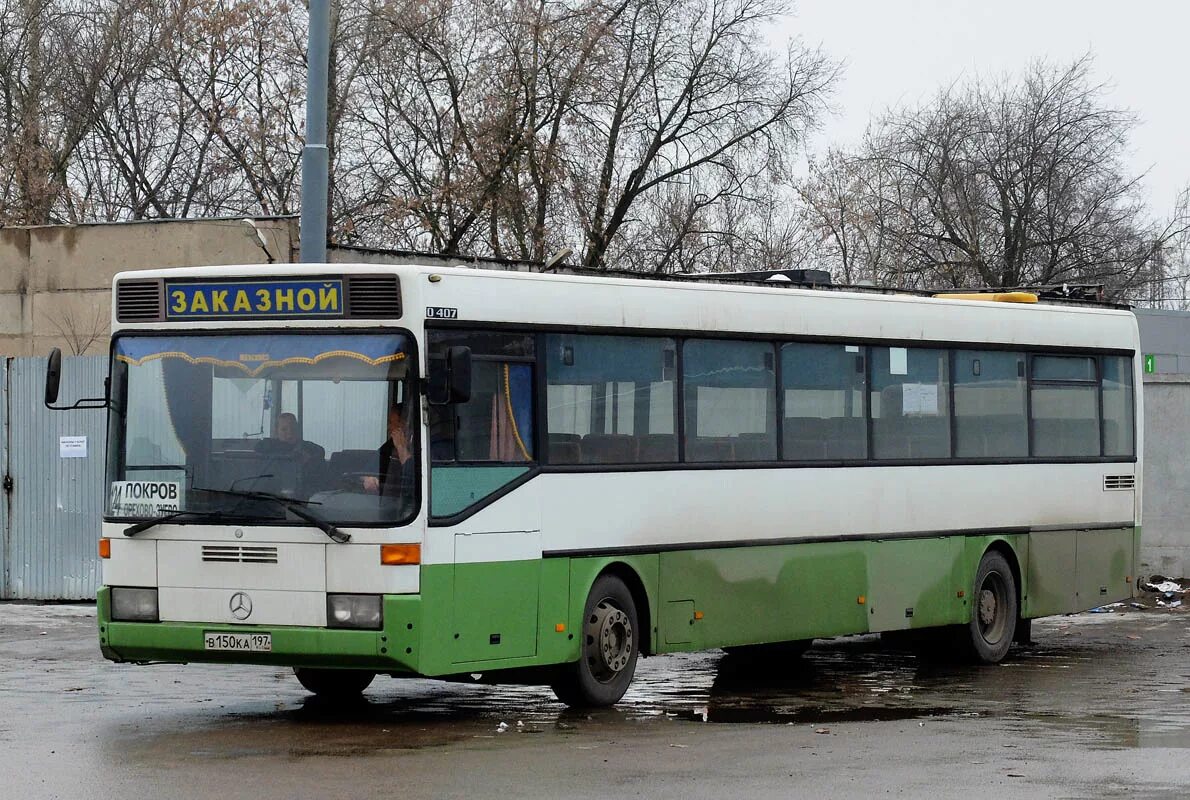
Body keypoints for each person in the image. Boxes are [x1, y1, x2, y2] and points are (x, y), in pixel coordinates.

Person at [362, 405, 415, 499]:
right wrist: (367, 478)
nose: (388, 427)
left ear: (404, 424)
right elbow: (366, 471)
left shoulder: (423, 446)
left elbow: (414, 481)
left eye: (391, 422)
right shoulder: (389, 446)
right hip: (385, 499)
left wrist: (401, 448)